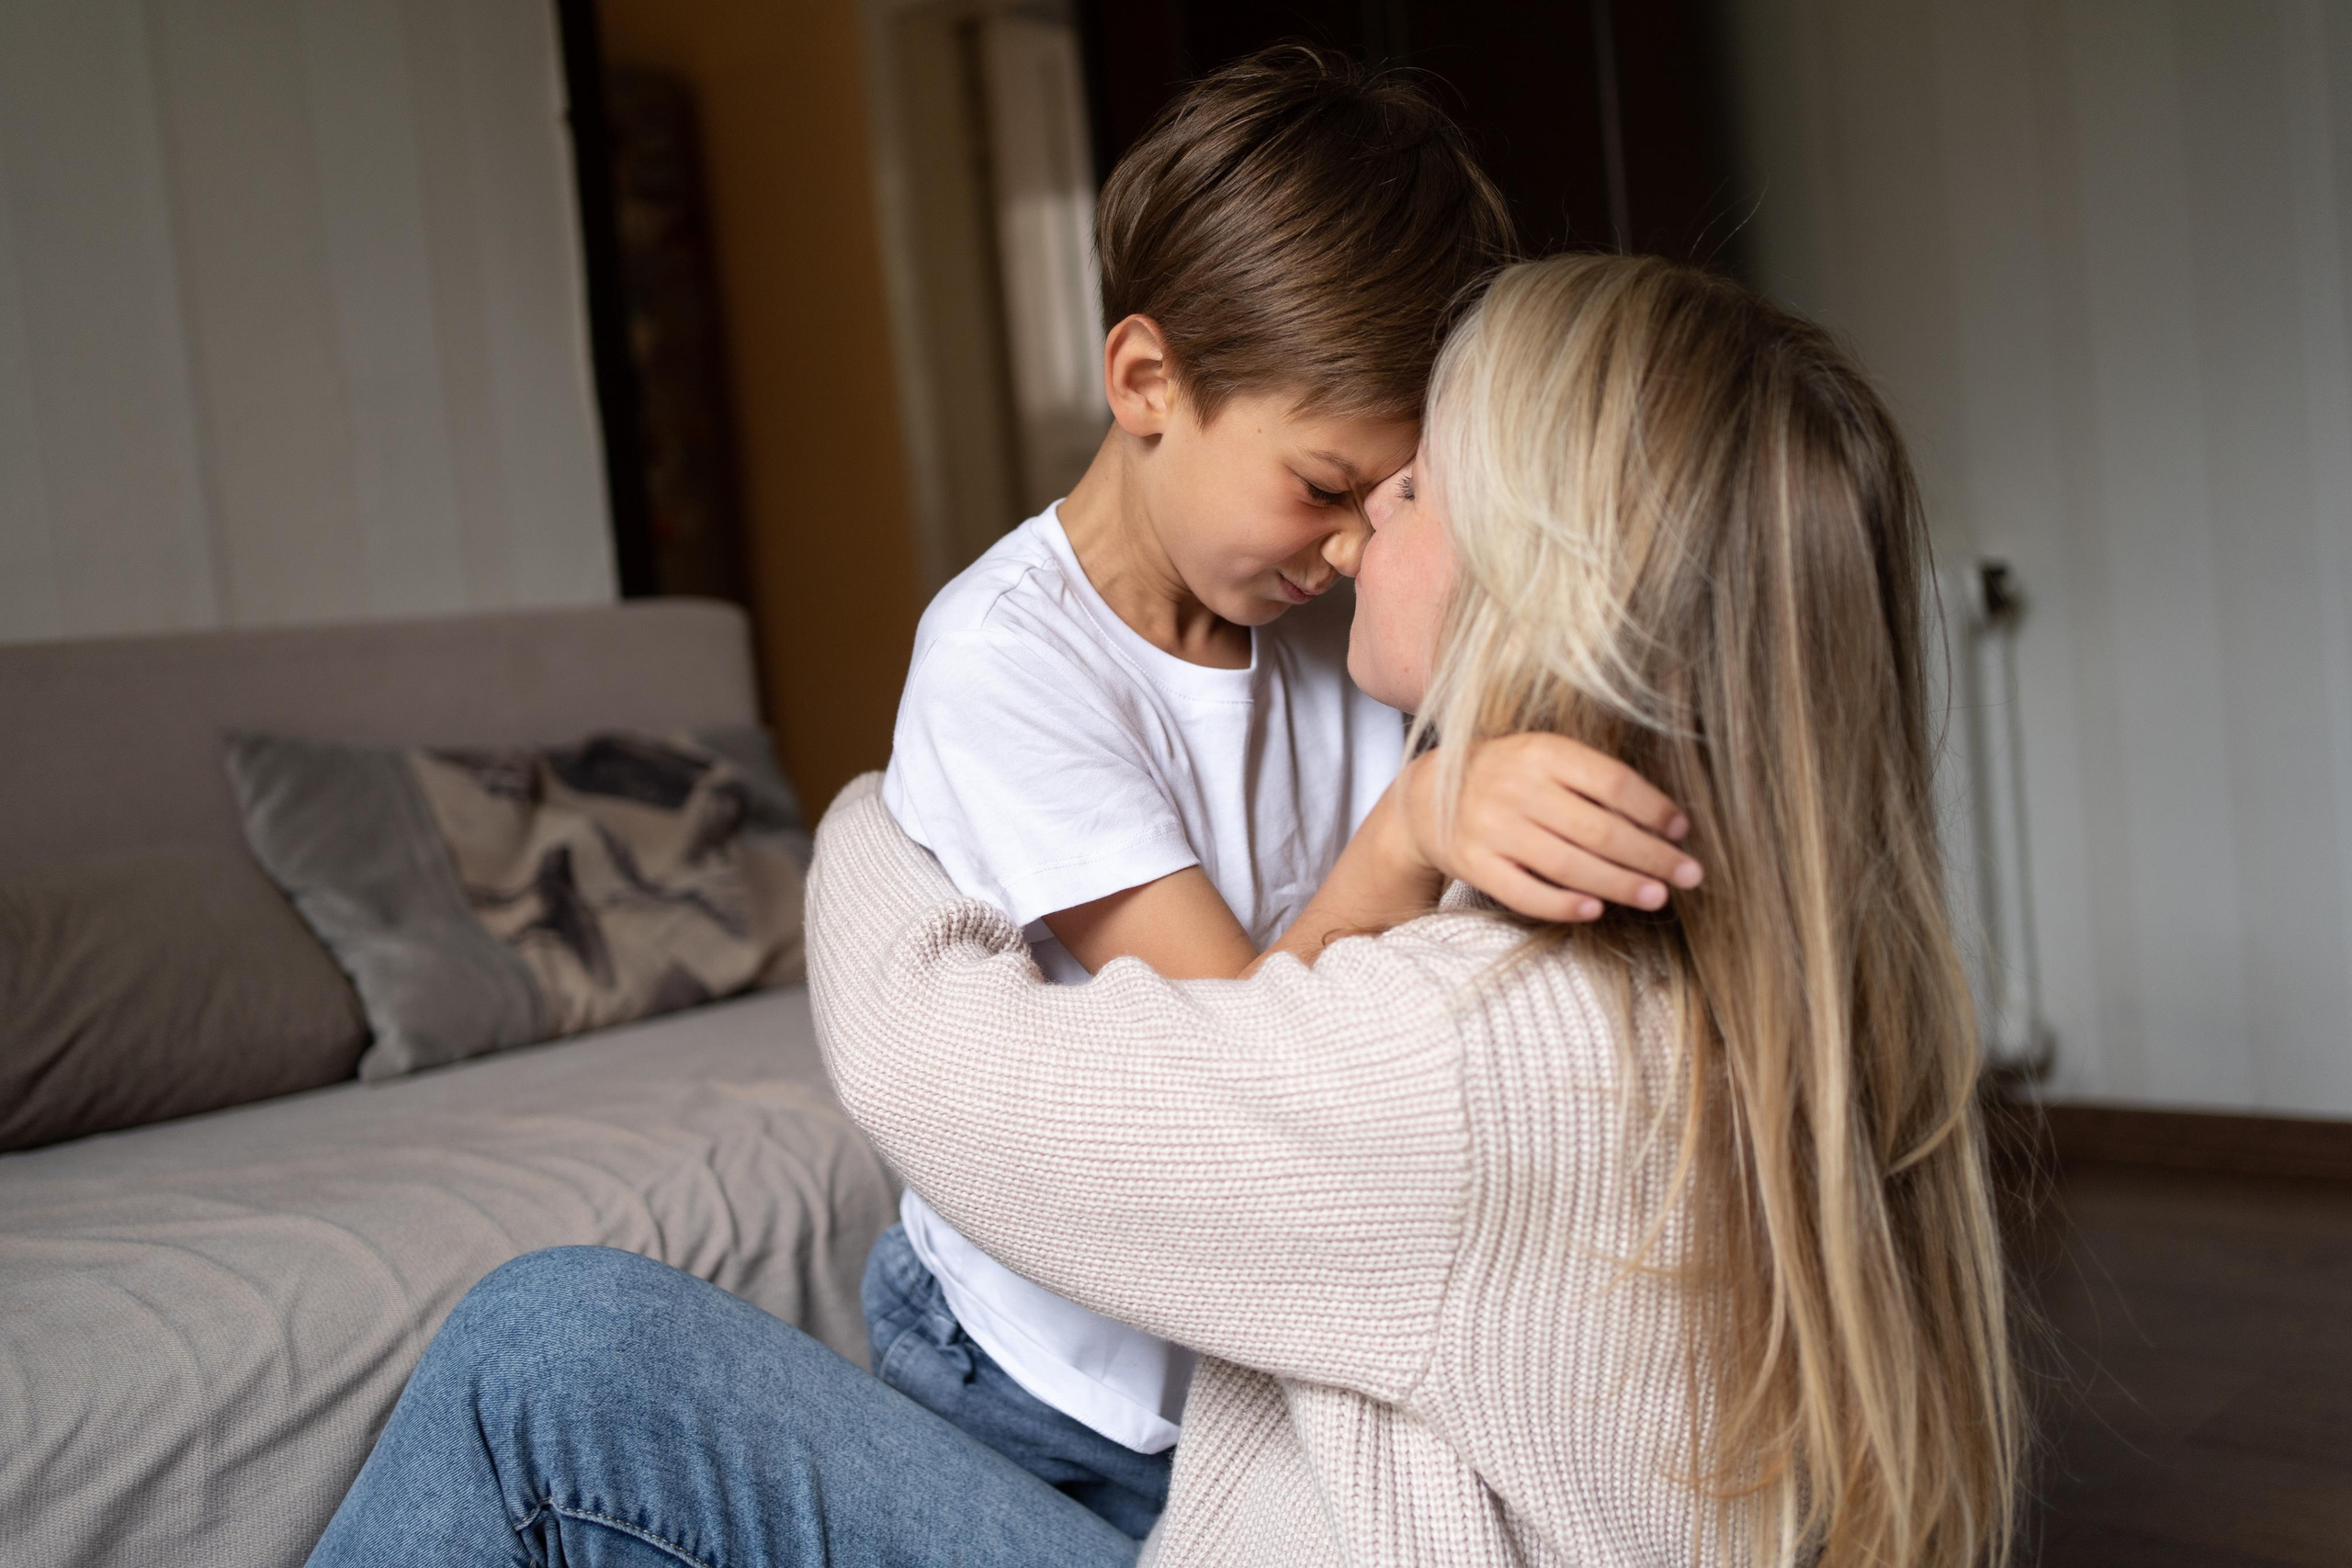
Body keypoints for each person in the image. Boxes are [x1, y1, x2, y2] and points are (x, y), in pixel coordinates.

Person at [306, 254, 2023, 1568]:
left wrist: (864, 813)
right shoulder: (1789, 976)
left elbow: (939, 1073)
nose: (1366, 531)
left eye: (1416, 487)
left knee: (555, 1359)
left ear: (1540, 578)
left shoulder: (1485, 1060)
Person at [865, 46, 1697, 1539]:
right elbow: (1231, 1094)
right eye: (1322, 487)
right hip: (1038, 1385)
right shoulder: (1010, 666)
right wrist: (1415, 825)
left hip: (1242, 1362)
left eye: (1392, 498)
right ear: (1145, 383)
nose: (1354, 551)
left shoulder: (1327, 619)